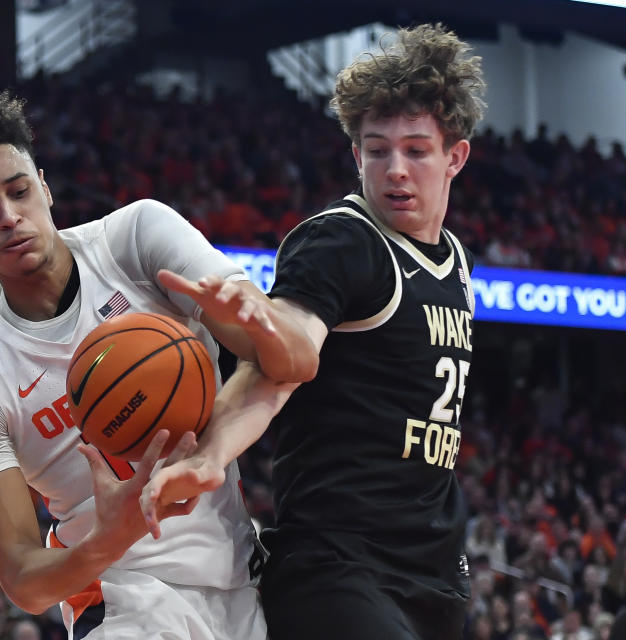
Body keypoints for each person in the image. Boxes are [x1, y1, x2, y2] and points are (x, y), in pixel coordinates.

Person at [0, 92, 317, 639]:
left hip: (240, 571)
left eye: (19, 192)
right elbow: (25, 582)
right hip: (121, 598)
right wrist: (112, 534)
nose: (9, 218)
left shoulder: (134, 240)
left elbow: (298, 363)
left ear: (44, 185)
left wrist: (262, 330)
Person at [141, 23, 485, 640]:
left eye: (416, 150)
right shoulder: (341, 241)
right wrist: (212, 455)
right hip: (337, 565)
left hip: (434, 570)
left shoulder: (454, 257)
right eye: (377, 150)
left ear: (454, 156)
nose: (395, 170)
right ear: (356, 156)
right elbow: (276, 368)